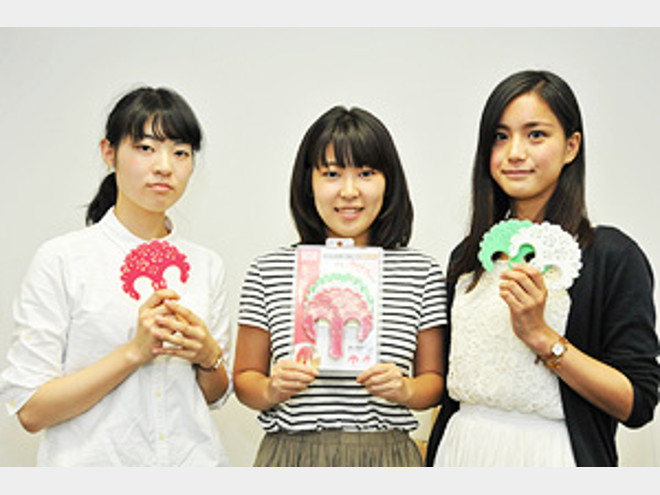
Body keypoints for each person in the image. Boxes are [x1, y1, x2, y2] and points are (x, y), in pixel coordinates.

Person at [426, 69, 660, 467]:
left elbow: (637, 403)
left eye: (536, 134)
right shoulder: (467, 257)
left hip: (552, 457)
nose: (515, 152)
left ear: (571, 146)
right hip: (461, 451)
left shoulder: (611, 255)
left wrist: (542, 336)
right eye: (500, 136)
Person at [0, 87, 232, 466]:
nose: (164, 166)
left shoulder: (206, 265)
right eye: (146, 148)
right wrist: (133, 353)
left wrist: (209, 358)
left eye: (180, 152)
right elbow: (31, 409)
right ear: (109, 153)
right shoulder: (62, 260)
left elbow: (213, 396)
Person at [233, 106, 446, 466]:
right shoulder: (268, 270)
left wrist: (405, 388)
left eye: (366, 173)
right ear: (309, 182)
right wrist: (271, 388)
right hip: (290, 455)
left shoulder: (421, 272)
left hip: (386, 456)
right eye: (331, 174)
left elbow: (435, 381)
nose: (349, 191)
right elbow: (243, 379)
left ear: (389, 181)